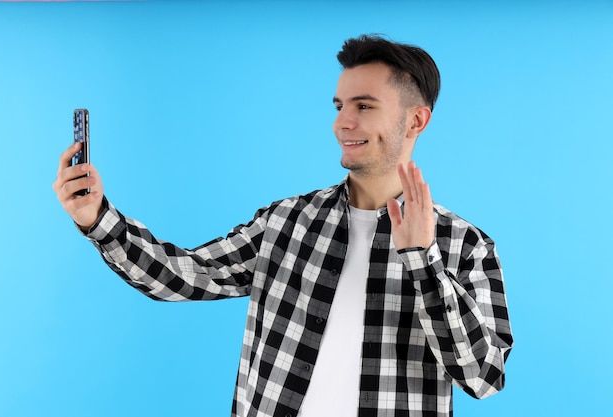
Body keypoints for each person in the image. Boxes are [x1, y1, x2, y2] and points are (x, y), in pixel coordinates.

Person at [53, 35, 513, 417]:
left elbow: (485, 376)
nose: (342, 122)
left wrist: (422, 261)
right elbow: (186, 276)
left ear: (416, 120)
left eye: (365, 106)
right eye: (339, 105)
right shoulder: (288, 221)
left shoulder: (465, 246)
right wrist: (98, 221)